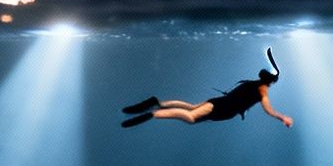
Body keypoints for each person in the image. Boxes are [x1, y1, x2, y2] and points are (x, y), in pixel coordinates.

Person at [122, 48, 293, 129]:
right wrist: (282, 117)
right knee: (190, 117)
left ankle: (157, 103)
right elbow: (268, 109)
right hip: (221, 108)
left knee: (190, 108)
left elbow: (241, 101)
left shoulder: (251, 83)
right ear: (270, 81)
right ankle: (154, 113)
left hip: (219, 104)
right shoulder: (262, 89)